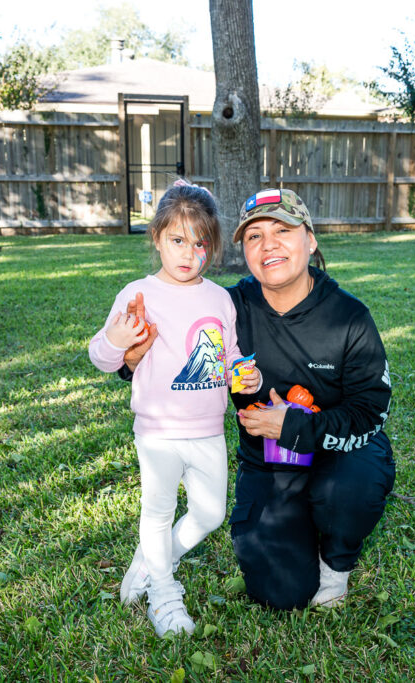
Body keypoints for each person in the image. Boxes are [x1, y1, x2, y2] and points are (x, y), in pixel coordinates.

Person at [122, 188, 395, 611]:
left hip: (340, 456)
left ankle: (335, 562)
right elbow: (172, 345)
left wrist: (294, 426)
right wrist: (131, 359)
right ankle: (287, 530)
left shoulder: (349, 317)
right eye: (254, 236)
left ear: (310, 240)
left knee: (349, 488)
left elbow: (371, 412)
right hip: (269, 463)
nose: (268, 244)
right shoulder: (228, 307)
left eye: (282, 230)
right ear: (244, 252)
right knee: (279, 593)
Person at [88, 180, 259, 637]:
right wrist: (116, 340)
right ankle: (163, 594)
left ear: (212, 247)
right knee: (158, 512)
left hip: (208, 429)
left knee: (210, 514)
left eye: (200, 243)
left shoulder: (219, 299)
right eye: (178, 240)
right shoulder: (137, 294)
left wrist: (246, 375)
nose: (188, 253)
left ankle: (150, 561)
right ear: (157, 237)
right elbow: (101, 357)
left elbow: (228, 355)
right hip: (158, 430)